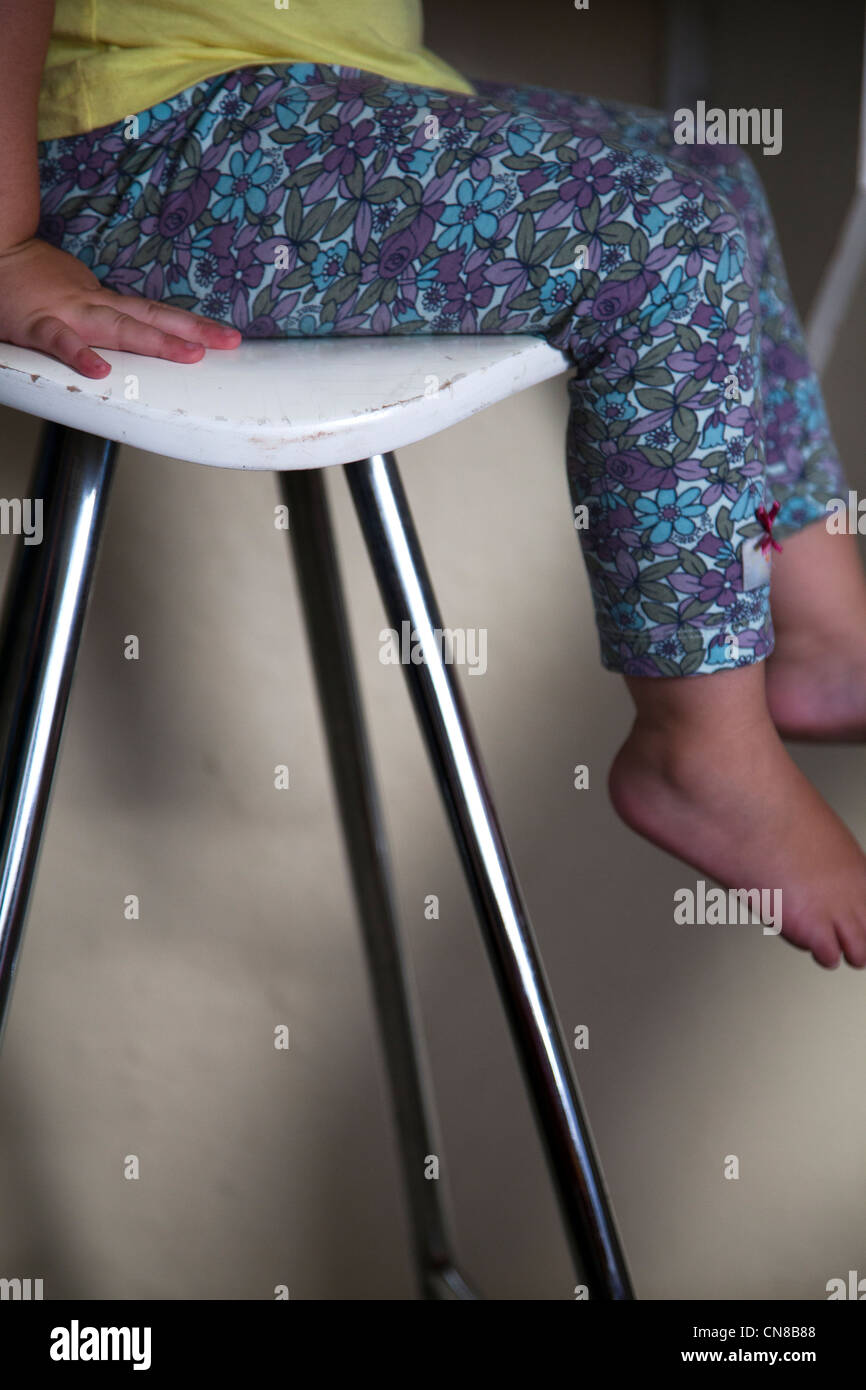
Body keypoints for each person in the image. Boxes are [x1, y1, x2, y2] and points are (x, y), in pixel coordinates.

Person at [3, 0, 866, 968]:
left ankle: (824, 634)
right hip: (142, 134)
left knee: (711, 172)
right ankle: (699, 750)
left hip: (319, 88)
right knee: (662, 243)